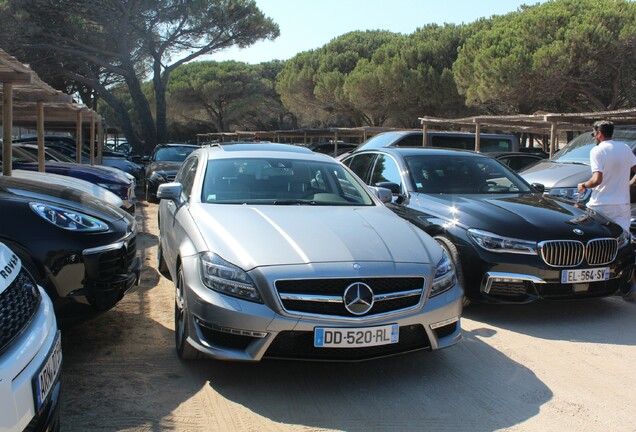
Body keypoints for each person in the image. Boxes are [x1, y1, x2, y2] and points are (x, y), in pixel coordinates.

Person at [577, 120, 636, 300]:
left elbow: (597, 179)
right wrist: (628, 185)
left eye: (594, 134)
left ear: (599, 133)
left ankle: (588, 281)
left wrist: (583, 185)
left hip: (601, 204)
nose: (594, 137)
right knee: (623, 245)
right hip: (622, 205)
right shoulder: (625, 148)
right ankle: (629, 286)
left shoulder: (597, 150)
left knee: (592, 244)